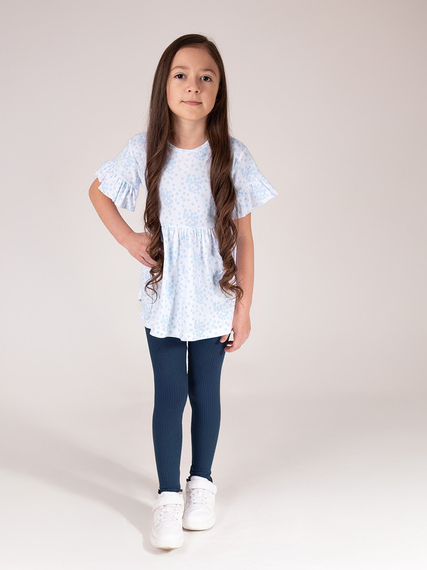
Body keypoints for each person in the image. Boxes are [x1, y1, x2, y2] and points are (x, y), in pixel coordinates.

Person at [88, 33, 278, 550]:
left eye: (205, 77)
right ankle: (169, 495)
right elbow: (98, 192)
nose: (193, 85)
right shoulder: (144, 149)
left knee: (205, 393)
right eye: (181, 75)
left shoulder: (232, 156)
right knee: (170, 396)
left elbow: (245, 238)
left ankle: (201, 483)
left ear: (218, 91)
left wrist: (244, 308)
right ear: (164, 85)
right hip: (165, 297)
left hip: (215, 297)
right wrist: (128, 238)